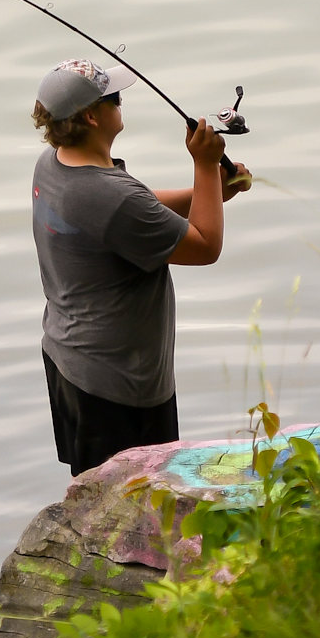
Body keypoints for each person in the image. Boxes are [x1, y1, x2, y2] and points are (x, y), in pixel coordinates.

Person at [30, 57, 252, 476]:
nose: (120, 105)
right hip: (118, 385)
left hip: (69, 361)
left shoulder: (55, 163)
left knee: (93, 492)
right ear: (93, 117)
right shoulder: (111, 197)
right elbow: (205, 247)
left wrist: (209, 192)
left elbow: (135, 208)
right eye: (114, 99)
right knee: (137, 509)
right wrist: (206, 165)